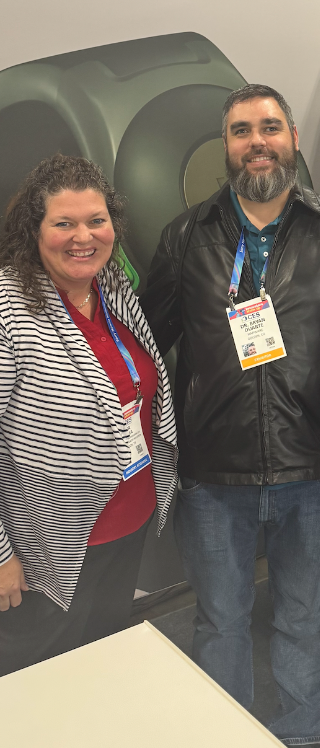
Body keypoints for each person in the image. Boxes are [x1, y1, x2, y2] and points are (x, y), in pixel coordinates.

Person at [141, 84, 320, 745]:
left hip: (317, 473)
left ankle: (300, 735)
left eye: (269, 127)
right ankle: (226, 734)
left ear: (292, 137)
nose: (256, 141)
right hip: (213, 477)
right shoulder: (187, 236)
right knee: (221, 621)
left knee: (301, 619)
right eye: (240, 130)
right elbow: (146, 347)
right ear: (225, 146)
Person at [0, 154, 178, 676]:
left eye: (96, 220)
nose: (83, 236)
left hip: (127, 518)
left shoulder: (112, 287)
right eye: (64, 223)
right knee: (36, 674)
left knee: (98, 660)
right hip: (48, 542)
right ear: (34, 230)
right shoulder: (9, 308)